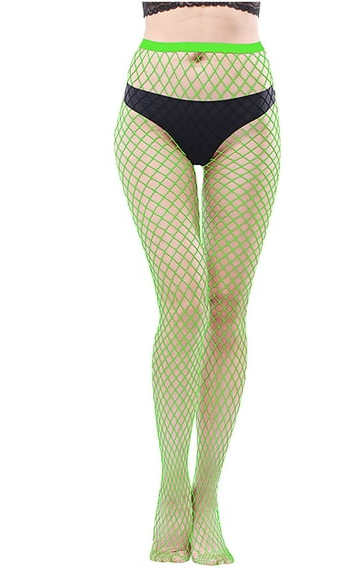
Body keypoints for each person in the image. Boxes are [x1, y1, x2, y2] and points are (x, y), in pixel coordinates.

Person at [113, 2, 280, 565]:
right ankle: (170, 483)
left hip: (248, 112)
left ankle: (206, 496)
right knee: (183, 301)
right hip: (151, 112)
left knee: (227, 306)